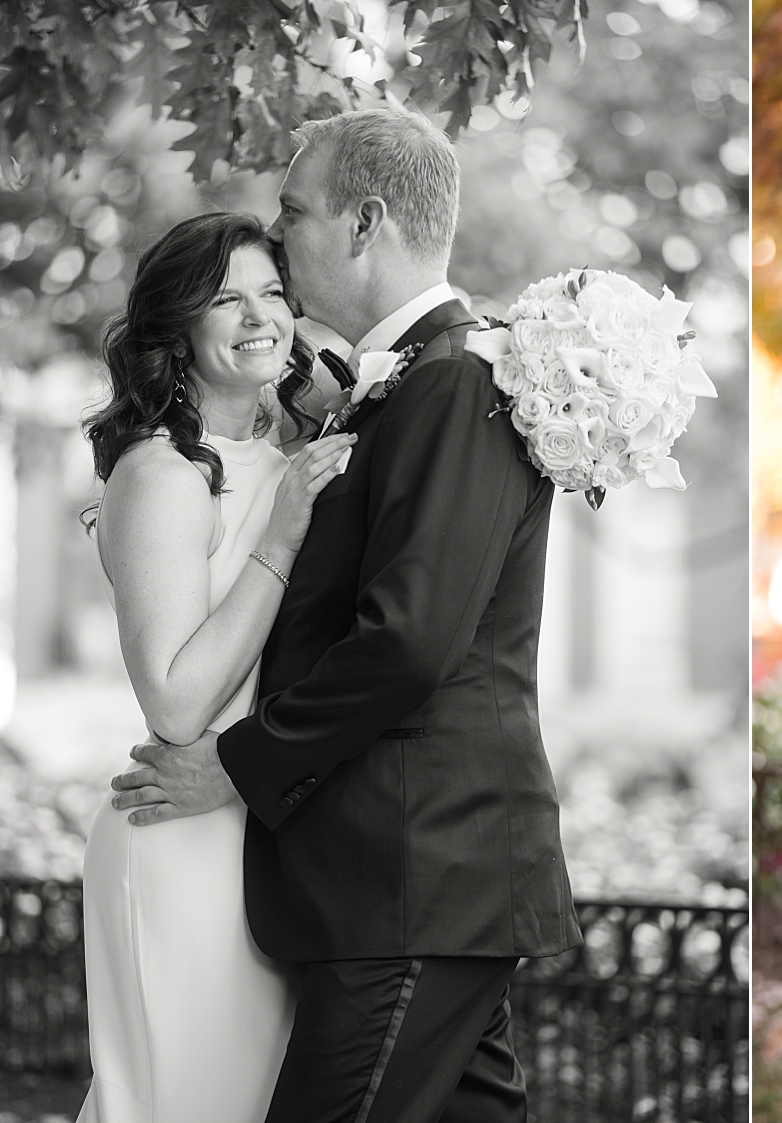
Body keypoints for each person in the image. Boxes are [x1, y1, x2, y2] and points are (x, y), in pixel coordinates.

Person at [109, 108, 581, 1122]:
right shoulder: (400, 385)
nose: (280, 240)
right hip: (404, 877)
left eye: (293, 216)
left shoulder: (456, 382)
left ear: (364, 224)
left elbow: (407, 639)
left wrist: (236, 763)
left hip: (417, 874)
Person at [77, 211, 359, 1122]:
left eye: (273, 293)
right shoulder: (160, 475)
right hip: (182, 844)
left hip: (261, 834)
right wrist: (278, 540)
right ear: (177, 329)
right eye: (225, 298)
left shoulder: (286, 458)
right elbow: (175, 698)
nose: (259, 317)